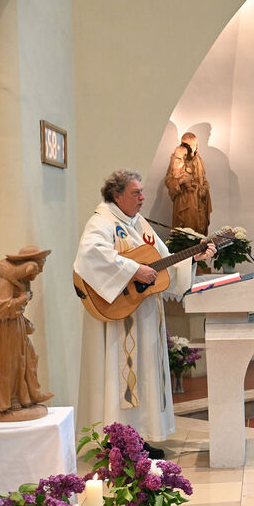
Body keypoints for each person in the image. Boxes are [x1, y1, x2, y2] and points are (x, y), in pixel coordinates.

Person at [75, 170, 216, 454]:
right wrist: (133, 269)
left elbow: (162, 262)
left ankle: (137, 437)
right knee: (119, 376)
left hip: (145, 316)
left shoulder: (138, 223)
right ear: (117, 196)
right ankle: (116, 441)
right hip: (119, 318)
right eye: (136, 192)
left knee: (145, 373)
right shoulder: (102, 221)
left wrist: (193, 258)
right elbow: (90, 255)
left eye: (141, 191)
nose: (142, 197)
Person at [0, 247, 54, 418]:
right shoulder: (5, 281)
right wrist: (23, 298)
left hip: (16, 325)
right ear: (29, 266)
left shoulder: (21, 281)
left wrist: (24, 321)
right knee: (8, 363)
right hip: (5, 328)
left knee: (28, 358)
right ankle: (8, 401)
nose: (40, 271)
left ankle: (29, 395)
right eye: (39, 267)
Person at [164, 132, 212, 234]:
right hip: (185, 204)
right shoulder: (177, 159)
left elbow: (204, 180)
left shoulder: (199, 160)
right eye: (186, 145)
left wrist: (204, 188)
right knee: (186, 233)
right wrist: (181, 181)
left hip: (200, 202)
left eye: (193, 145)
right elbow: (169, 180)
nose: (190, 149)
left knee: (200, 233)